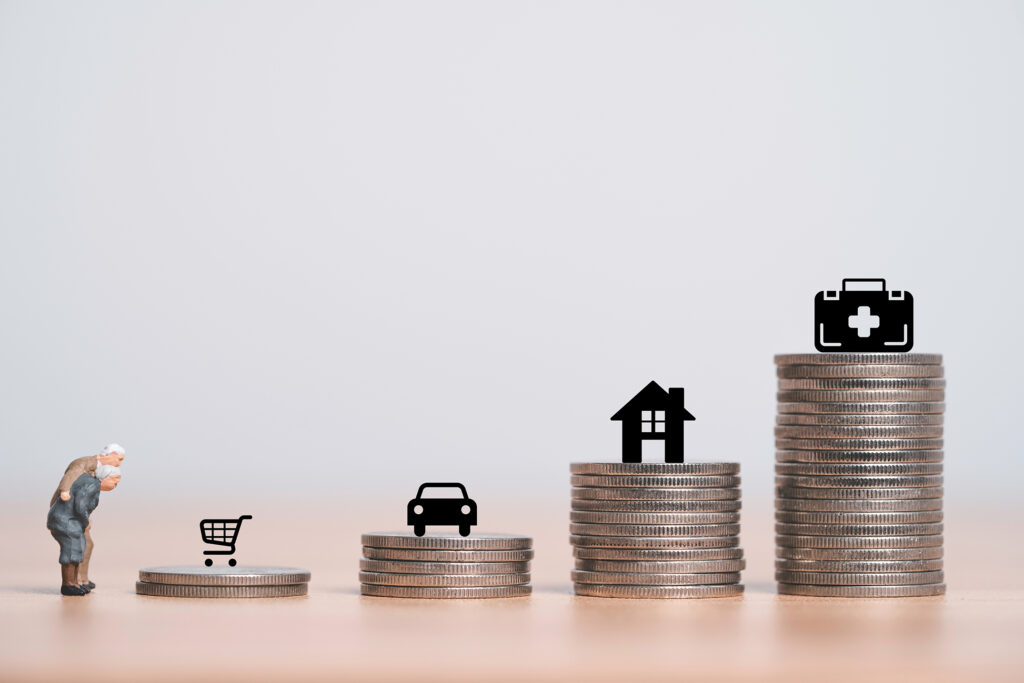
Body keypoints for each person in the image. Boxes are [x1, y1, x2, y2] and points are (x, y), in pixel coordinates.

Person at [50, 443, 125, 590]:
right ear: (109, 455)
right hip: (66, 512)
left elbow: (84, 502)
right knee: (74, 546)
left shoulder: (97, 476)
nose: (120, 463)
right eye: (119, 459)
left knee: (86, 545)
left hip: (74, 514)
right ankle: (71, 583)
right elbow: (70, 475)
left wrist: (86, 517)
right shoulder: (85, 463)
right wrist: (65, 490)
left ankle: (80, 580)